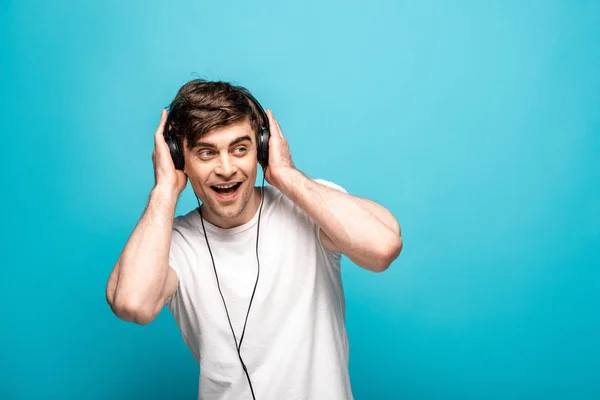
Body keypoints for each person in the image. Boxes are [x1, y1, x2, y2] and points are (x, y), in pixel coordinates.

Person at [105, 79, 403, 400]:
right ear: (180, 159)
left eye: (240, 149)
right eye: (207, 153)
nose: (226, 168)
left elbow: (383, 247)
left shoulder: (309, 207)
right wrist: (164, 190)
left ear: (261, 147)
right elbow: (132, 305)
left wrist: (284, 174)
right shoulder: (170, 242)